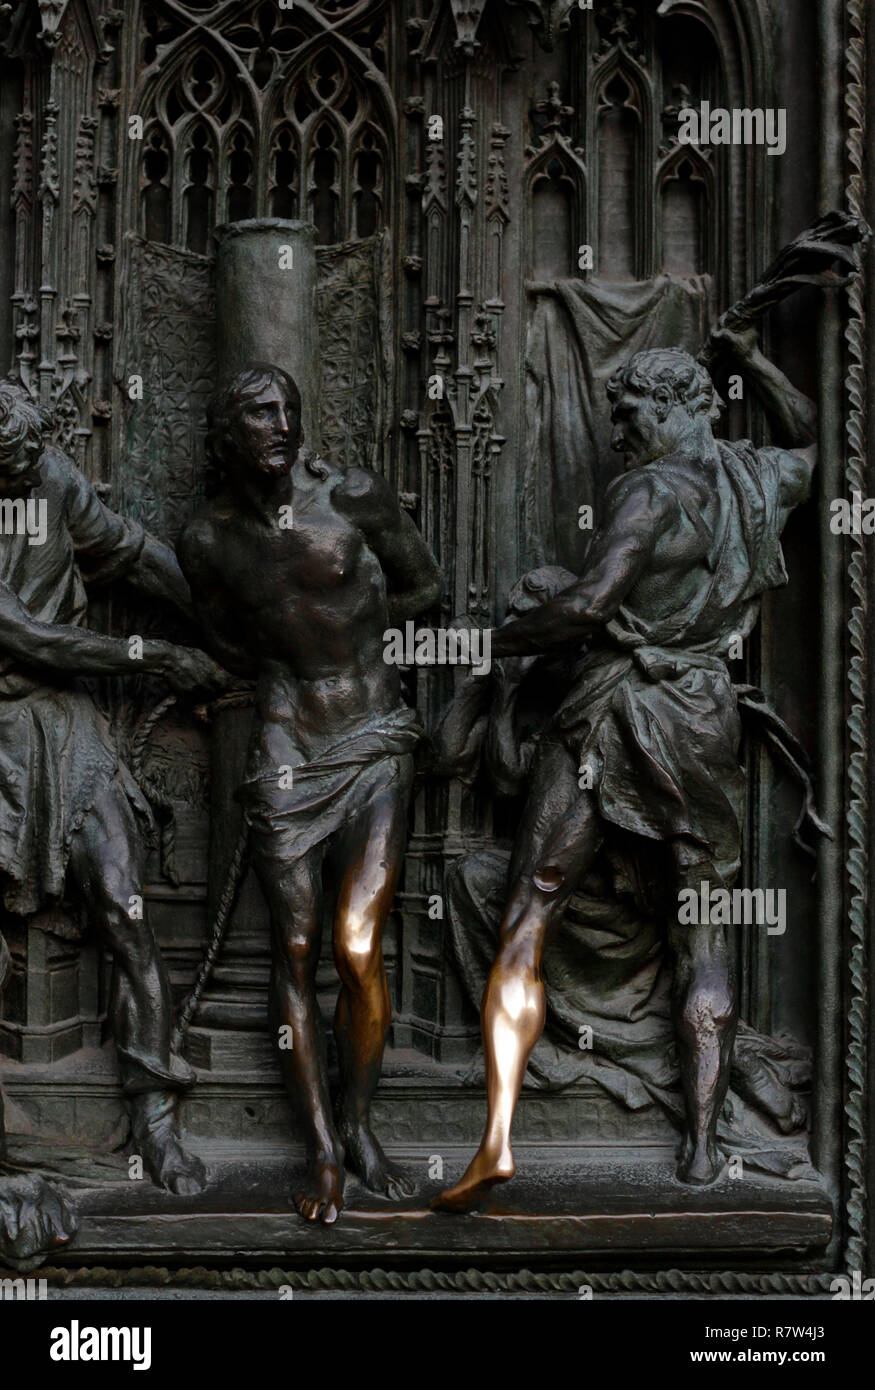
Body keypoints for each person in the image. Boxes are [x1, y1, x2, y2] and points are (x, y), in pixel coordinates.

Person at [433, 327, 818, 1211]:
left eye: (629, 408)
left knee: (530, 901)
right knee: (704, 928)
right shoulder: (756, 481)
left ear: (680, 401)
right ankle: (700, 1148)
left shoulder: (646, 490)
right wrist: (757, 357)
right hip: (701, 714)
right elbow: (817, 446)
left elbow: (592, 602)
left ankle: (495, 1139)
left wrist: (494, 640)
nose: (618, 429)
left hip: (612, 708)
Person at [178, 363, 442, 1224]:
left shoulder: (355, 498)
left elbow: (426, 589)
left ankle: (361, 1125)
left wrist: (357, 633)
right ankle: (324, 1152)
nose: (280, 424)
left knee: (357, 947)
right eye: (260, 412)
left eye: (289, 408)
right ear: (229, 432)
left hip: (369, 740)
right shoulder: (207, 540)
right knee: (293, 948)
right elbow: (222, 634)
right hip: (286, 749)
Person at [0, 381, 228, 1196]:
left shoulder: (46, 474)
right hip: (4, 725)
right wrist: (157, 657)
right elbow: (29, 636)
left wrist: (220, 616)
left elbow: (125, 552)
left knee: (124, 903)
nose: (29, 477)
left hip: (67, 727)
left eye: (33, 459)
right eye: (12, 470)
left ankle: (157, 1119)